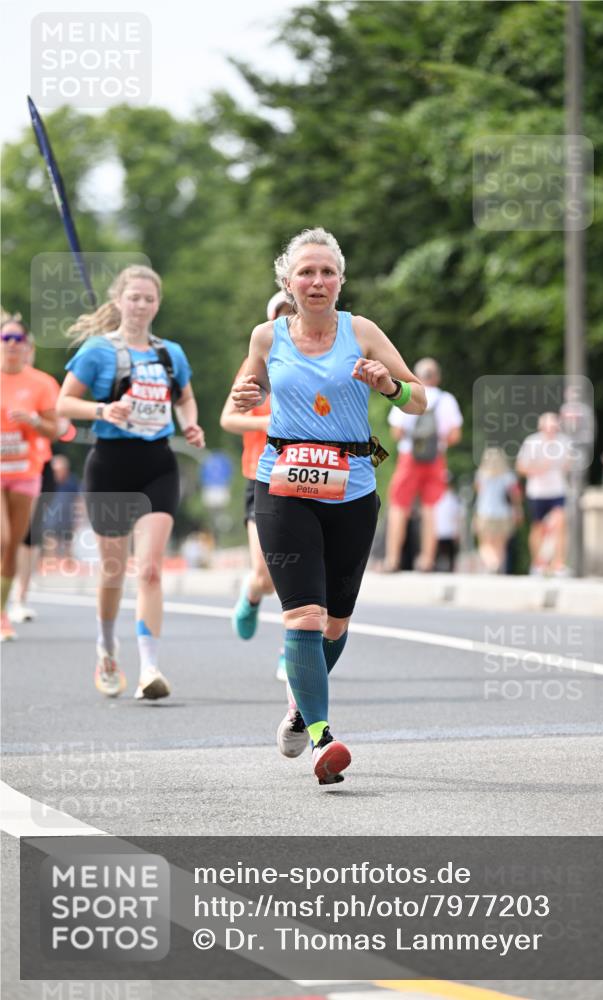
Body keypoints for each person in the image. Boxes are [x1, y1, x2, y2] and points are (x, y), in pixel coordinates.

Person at [231, 227, 425, 785]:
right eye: (306, 272)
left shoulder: (362, 332)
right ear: (287, 282)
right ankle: (322, 737)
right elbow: (244, 394)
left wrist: (389, 386)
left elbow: (419, 400)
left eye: (327, 272)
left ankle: (299, 709)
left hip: (352, 490)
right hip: (283, 486)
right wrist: (247, 394)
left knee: (335, 625)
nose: (317, 281)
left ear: (340, 280)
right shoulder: (266, 337)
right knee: (305, 616)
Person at [56, 265, 205, 699]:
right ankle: (106, 647)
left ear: (158, 304)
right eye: (134, 297)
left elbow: (186, 397)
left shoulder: (170, 353)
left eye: (149, 298)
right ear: (118, 301)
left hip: (158, 465)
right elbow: (64, 403)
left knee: (152, 569)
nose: (141, 305)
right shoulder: (97, 351)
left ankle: (149, 669)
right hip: (111, 467)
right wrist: (103, 410)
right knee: (113, 571)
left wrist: (189, 423)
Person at [221, 291, 293, 681]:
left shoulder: (322, 361)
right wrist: (267, 423)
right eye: (280, 316)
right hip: (261, 474)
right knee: (266, 576)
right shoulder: (256, 364)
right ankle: (251, 594)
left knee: (299, 576)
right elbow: (229, 419)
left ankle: (291, 653)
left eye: (292, 313)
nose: (287, 321)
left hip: (305, 476)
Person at [1, 315, 59, 641]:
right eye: (5, 338)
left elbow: (55, 429)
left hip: (25, 472)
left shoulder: (42, 384)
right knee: (2, 539)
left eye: (17, 339)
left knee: (13, 547)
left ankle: (3, 613)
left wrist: (34, 420)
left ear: (27, 347)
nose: (11, 345)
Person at [384, 357, 462, 572]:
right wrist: (436, 441)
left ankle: (392, 559)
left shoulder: (408, 393)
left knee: (399, 505)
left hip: (409, 457)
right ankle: (427, 560)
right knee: (430, 507)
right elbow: (455, 435)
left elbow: (396, 432)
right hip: (435, 458)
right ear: (437, 377)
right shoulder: (446, 400)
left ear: (416, 375)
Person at [516, 412, 571, 576]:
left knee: (560, 524)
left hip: (557, 490)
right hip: (537, 492)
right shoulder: (532, 442)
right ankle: (538, 564)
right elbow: (521, 467)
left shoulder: (564, 442)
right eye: (548, 427)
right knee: (537, 527)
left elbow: (568, 464)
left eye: (554, 427)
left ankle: (558, 564)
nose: (551, 430)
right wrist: (538, 469)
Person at [473, 447, 522, 573]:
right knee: (500, 545)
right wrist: (518, 510)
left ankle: (491, 564)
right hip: (504, 513)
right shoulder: (508, 476)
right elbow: (515, 495)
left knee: (485, 543)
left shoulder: (481, 475)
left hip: (485, 513)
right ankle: (498, 567)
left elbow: (478, 492)